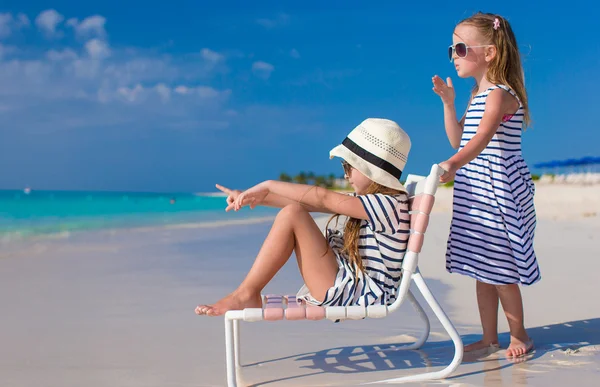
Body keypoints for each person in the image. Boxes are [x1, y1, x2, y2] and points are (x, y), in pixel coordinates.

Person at [195, 118, 412, 317]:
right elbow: (308, 202)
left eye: (348, 167)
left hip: (358, 294)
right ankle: (246, 293)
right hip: (351, 285)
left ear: (370, 170)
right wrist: (254, 198)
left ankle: (245, 294)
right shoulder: (378, 203)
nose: (345, 175)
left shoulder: (387, 205)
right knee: (293, 211)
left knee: (292, 214)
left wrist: (268, 184)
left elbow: (322, 198)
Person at [432, 12, 539, 358]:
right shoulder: (477, 95)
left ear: (489, 53)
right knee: (482, 267)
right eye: (452, 49)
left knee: (502, 270)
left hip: (497, 192)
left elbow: (478, 140)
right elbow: (457, 139)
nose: (454, 56)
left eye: (461, 48)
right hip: (476, 193)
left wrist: (453, 164)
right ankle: (490, 336)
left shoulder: (499, 95)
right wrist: (449, 103)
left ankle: (519, 334)